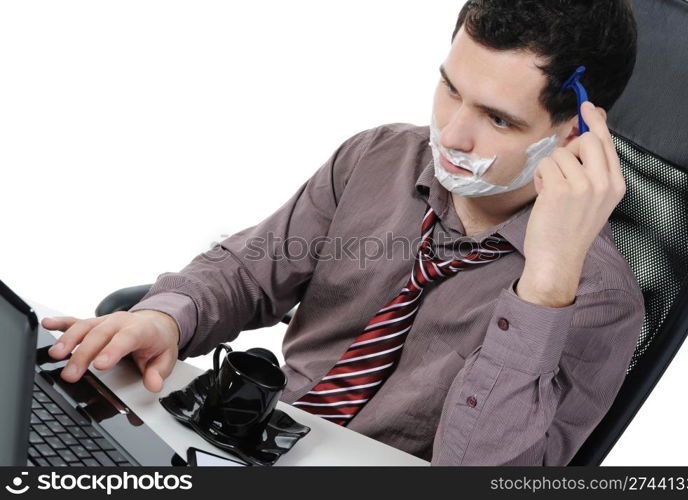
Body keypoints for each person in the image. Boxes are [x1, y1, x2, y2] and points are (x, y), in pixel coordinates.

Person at [42, 0, 644, 465]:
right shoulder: (379, 157)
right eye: (452, 90)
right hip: (253, 442)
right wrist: (167, 318)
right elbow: (251, 272)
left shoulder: (595, 297)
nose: (453, 135)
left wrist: (543, 288)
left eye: (497, 118)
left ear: (575, 134)